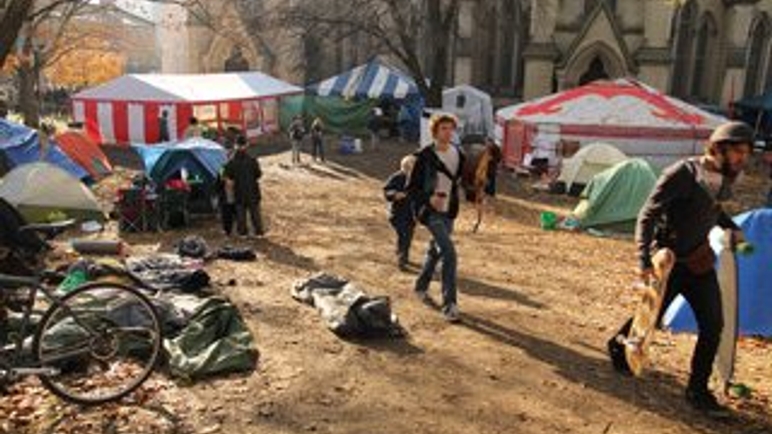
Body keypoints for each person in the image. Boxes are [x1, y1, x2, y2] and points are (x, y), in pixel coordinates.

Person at [607, 121, 754, 417]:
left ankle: (697, 391)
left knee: (713, 325)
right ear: (719, 148)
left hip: (700, 263)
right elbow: (648, 214)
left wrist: (732, 229)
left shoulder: (723, 178)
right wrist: (643, 261)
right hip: (670, 263)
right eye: (738, 151)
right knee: (651, 320)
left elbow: (713, 210)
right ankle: (619, 343)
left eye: (746, 152)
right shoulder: (682, 173)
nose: (743, 158)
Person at [406, 113, 466, 323]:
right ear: (435, 131)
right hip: (430, 212)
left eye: (451, 128)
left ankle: (421, 285)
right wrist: (429, 198)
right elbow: (411, 188)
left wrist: (477, 195)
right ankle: (450, 304)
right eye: (443, 129)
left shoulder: (458, 153)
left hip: (449, 210)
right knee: (449, 252)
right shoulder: (424, 156)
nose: (448, 133)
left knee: (434, 251)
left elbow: (461, 180)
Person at [223, 136, 264, 238]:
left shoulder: (230, 162)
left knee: (241, 214)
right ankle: (258, 232)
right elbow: (258, 174)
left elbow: (226, 177)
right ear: (246, 145)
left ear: (235, 146)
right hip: (252, 191)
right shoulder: (252, 160)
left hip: (238, 191)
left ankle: (243, 233)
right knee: (255, 213)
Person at [384, 155, 417, 271]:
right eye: (412, 167)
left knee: (408, 235)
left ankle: (404, 255)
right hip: (397, 213)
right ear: (405, 167)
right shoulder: (397, 177)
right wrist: (395, 195)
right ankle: (401, 259)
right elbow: (387, 191)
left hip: (411, 214)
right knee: (403, 234)